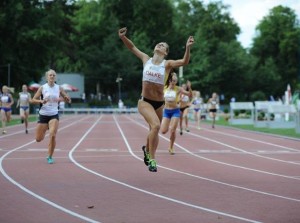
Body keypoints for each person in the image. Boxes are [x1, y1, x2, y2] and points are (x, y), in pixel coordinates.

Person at [118, 27, 194, 172]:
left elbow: (184, 61)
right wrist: (123, 38)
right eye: (158, 44)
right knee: (156, 126)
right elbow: (132, 47)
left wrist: (188, 47)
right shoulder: (146, 59)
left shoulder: (167, 64)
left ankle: (147, 151)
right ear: (154, 48)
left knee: (153, 130)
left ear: (165, 52)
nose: (160, 45)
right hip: (145, 101)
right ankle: (152, 159)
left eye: (163, 46)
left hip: (159, 103)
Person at [30, 69, 71, 164]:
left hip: (54, 114)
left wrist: (67, 98)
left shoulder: (59, 88)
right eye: (50, 75)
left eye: (53, 75)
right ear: (46, 77)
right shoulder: (42, 88)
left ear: (55, 77)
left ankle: (49, 156)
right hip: (43, 115)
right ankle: (44, 129)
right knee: (38, 139)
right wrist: (41, 101)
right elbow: (33, 100)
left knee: (52, 135)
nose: (52, 76)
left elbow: (68, 99)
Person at [160, 72, 192, 155]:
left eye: (174, 81)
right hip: (166, 111)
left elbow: (189, 95)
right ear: (168, 80)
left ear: (176, 81)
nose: (173, 82)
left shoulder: (178, 89)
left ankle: (171, 147)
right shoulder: (164, 88)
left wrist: (189, 88)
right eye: (171, 80)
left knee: (173, 130)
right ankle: (170, 144)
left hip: (175, 111)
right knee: (163, 131)